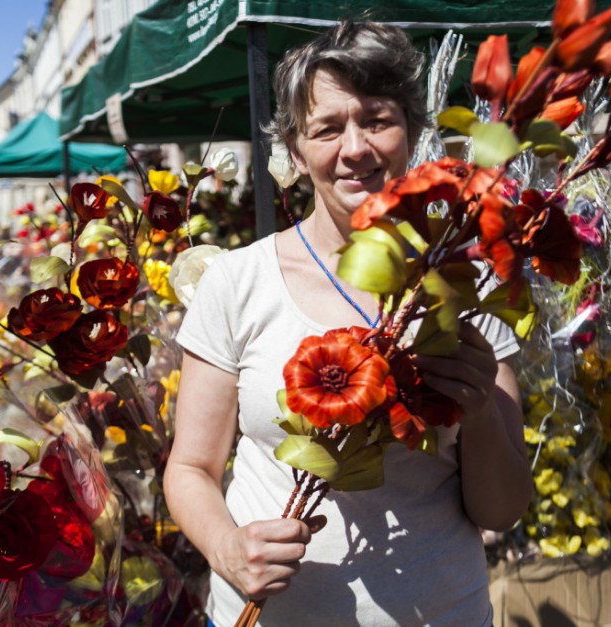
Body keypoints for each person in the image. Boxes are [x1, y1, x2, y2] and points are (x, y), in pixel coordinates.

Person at [164, 20, 533, 626]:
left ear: (412, 130)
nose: (355, 147)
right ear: (295, 145)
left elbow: (502, 509)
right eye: (327, 128)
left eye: (377, 119)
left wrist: (482, 408)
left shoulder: (465, 285)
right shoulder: (237, 282)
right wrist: (228, 549)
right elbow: (191, 468)